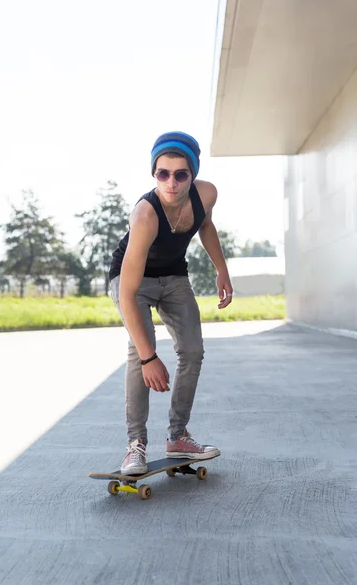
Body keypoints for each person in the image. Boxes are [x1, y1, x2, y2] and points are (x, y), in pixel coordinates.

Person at [108, 131, 233, 475]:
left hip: (174, 276)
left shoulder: (206, 194)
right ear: (154, 174)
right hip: (132, 279)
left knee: (192, 351)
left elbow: (205, 224)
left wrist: (221, 269)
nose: (172, 182)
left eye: (181, 174)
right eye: (163, 173)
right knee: (138, 350)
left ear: (192, 175)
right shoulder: (145, 215)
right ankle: (136, 445)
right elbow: (128, 295)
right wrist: (149, 357)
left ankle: (178, 436)